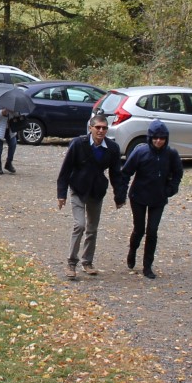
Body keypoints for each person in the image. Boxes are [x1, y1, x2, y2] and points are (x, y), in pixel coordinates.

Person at [56, 115, 126, 280]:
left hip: (97, 191)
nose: (101, 131)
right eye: (98, 128)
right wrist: (61, 194)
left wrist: (119, 196)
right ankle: (71, 263)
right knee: (79, 225)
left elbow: (116, 174)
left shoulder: (112, 148)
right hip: (78, 189)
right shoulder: (78, 144)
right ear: (90, 128)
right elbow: (65, 170)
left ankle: (87, 262)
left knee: (92, 229)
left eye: (104, 128)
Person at [119, 119, 184, 278]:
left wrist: (170, 189)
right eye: (155, 138)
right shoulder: (140, 152)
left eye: (162, 138)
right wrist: (121, 193)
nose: (158, 141)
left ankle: (147, 265)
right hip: (139, 197)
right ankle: (132, 250)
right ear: (150, 138)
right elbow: (126, 172)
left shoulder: (171, 154)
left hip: (158, 198)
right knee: (139, 229)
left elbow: (178, 173)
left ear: (166, 139)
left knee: (152, 231)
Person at [0, 100, 21, 175]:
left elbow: (18, 114)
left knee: (13, 144)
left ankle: (8, 163)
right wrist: (1, 112)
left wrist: (13, 112)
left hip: (10, 128)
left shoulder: (14, 103)